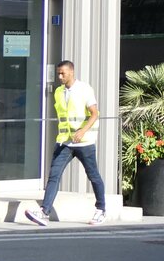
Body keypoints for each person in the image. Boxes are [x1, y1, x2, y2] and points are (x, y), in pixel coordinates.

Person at [26, 61, 107, 226]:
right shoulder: (58, 92)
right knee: (54, 176)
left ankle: (101, 209)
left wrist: (82, 131)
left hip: (84, 143)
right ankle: (44, 212)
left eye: (63, 73)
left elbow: (94, 113)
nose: (60, 76)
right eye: (58, 74)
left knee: (93, 175)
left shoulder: (85, 89)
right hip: (65, 142)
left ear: (71, 72)